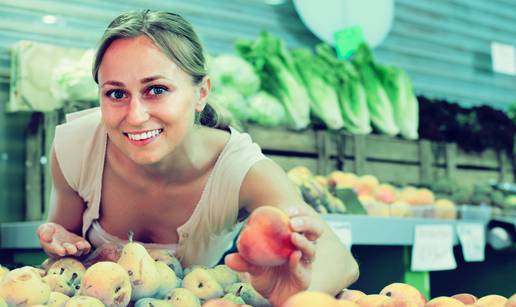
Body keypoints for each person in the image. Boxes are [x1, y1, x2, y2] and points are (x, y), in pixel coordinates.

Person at [36, 10, 359, 306]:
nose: (135, 116)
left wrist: (299, 292)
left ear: (201, 93)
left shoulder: (241, 170)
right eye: (116, 93)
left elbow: (339, 259)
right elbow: (64, 263)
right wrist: (61, 243)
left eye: (157, 89)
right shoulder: (76, 146)